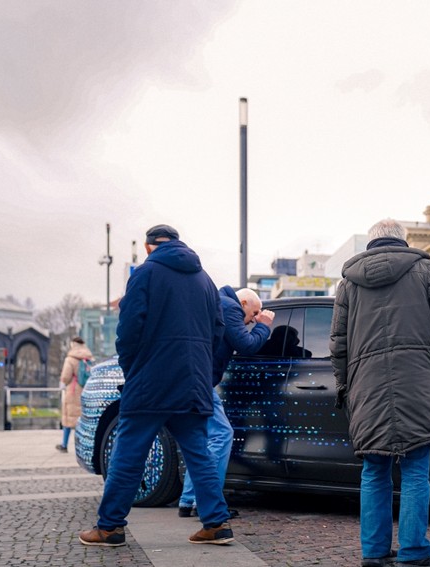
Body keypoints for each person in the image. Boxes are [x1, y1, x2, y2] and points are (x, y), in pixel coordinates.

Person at [79, 224, 233, 547]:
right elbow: (218, 333)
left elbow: (128, 331)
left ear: (149, 246)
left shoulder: (145, 274)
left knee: (128, 453)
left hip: (151, 382)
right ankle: (216, 523)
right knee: (199, 454)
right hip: (192, 383)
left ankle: (110, 527)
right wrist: (206, 375)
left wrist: (132, 370)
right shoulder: (206, 281)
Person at [330, 219, 430, 567]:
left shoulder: (348, 284)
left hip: (367, 387)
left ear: (371, 242)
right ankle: (414, 552)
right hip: (419, 382)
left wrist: (345, 385)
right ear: (402, 240)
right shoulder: (424, 270)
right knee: (416, 468)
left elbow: (338, 343)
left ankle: (374, 553)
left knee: (374, 469)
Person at [178, 286, 274, 518]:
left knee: (202, 439)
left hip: (193, 379)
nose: (253, 320)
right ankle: (208, 502)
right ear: (243, 304)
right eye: (253, 314)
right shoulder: (229, 307)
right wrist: (264, 325)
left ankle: (189, 499)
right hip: (198, 381)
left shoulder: (219, 303)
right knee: (221, 435)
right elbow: (247, 345)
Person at [56, 336, 93, 453]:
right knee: (82, 419)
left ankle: (64, 444)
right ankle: (83, 446)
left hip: (73, 391)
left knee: (68, 418)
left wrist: (63, 383)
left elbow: (66, 376)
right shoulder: (89, 358)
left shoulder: (70, 359)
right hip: (86, 389)